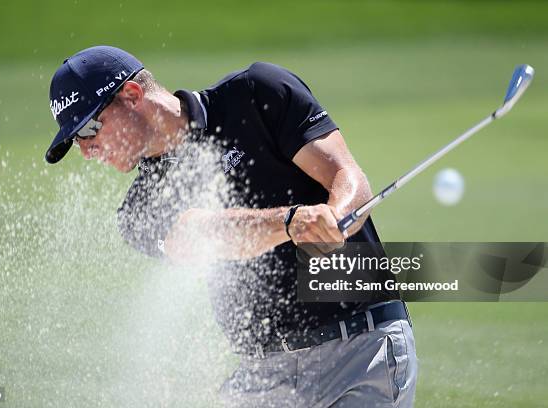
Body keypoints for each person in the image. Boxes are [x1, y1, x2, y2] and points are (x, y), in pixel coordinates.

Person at [45, 45, 418, 407]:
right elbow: (201, 237)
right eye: (76, 141)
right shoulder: (138, 210)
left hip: (360, 348)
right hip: (261, 376)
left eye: (90, 128)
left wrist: (336, 215)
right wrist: (290, 221)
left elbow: (347, 176)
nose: (86, 149)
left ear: (131, 94)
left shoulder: (257, 93)